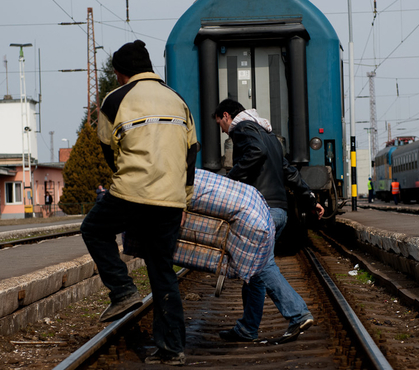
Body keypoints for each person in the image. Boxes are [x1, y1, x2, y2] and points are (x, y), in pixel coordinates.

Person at [80, 40, 198, 366]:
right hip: (171, 198)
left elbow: (109, 151)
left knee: (93, 229)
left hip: (131, 191)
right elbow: (192, 150)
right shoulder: (178, 99)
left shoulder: (115, 99)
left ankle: (122, 290)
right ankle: (172, 348)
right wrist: (183, 197)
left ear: (121, 73)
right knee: (163, 272)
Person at [213, 98, 324, 344]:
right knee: (253, 271)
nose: (222, 129)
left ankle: (297, 313)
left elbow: (256, 153)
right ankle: (248, 328)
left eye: (220, 123)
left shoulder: (241, 129)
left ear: (226, 116)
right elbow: (290, 173)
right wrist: (309, 199)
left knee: (260, 266)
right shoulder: (269, 136)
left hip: (260, 211)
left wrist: (230, 180)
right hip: (279, 212)